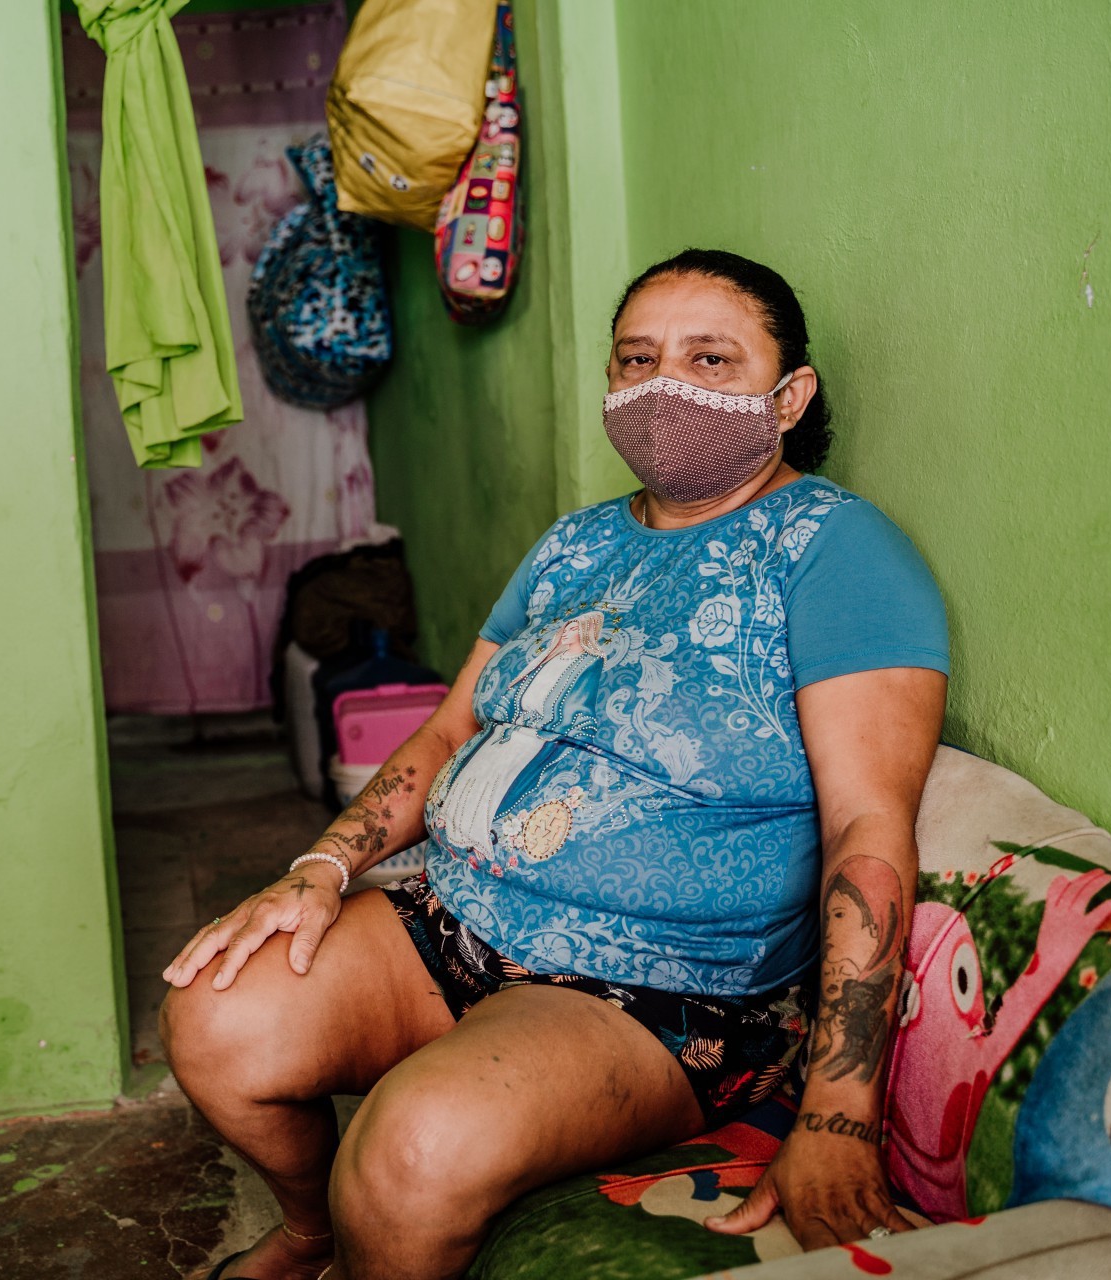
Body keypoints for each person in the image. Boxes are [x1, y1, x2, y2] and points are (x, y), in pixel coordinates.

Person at [160, 249, 950, 1280]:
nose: (665, 384)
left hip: (652, 986)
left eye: (711, 358)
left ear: (789, 393)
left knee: (409, 1153)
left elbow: (866, 826)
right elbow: (448, 731)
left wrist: (840, 1107)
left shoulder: (835, 551)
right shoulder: (575, 546)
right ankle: (312, 1235)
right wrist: (319, 868)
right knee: (215, 1013)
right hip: (453, 916)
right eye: (637, 358)